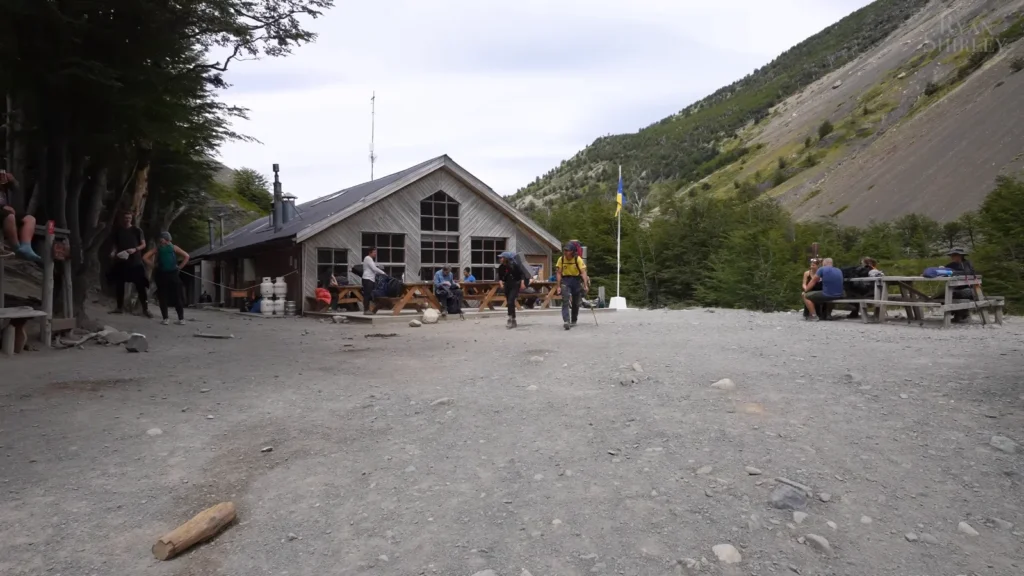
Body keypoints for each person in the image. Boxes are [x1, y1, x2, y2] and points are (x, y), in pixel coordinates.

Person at [107, 211, 151, 317]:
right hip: (121, 260)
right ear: (123, 219)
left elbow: (143, 244)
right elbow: (115, 245)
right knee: (119, 284)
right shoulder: (118, 230)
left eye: (129, 218)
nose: (127, 220)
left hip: (135, 261)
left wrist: (135, 249)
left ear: (132, 219)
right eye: (125, 218)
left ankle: (145, 309)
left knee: (141, 285)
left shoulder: (137, 230)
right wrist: (113, 252)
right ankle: (119, 307)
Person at [143, 231, 188, 325]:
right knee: (174, 296)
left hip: (163, 275)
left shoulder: (160, 248)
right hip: (171, 275)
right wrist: (179, 267)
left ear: (165, 239)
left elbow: (145, 257)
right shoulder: (170, 248)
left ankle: (167, 319)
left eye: (162, 239)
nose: (161, 240)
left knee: (164, 296)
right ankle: (180, 319)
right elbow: (186, 256)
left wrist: (154, 266)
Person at [0, 173, 41, 262]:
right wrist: (3, 207)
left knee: (30, 219)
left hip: (5, 210)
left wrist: (12, 180)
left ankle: (26, 247)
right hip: (4, 211)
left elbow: (16, 189)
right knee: (10, 216)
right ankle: (16, 248)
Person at [555, 243, 590, 330]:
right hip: (565, 280)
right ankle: (566, 321)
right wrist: (558, 286)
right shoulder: (561, 259)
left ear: (572, 252)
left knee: (575, 302)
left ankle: (574, 320)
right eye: (564, 250)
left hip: (576, 280)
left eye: (567, 250)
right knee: (565, 300)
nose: (565, 252)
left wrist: (585, 285)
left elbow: (583, 273)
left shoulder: (578, 259)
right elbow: (559, 273)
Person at [945, 247, 976, 322]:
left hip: (968, 289)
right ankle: (959, 314)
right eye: (951, 255)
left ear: (960, 256)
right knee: (941, 295)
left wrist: (953, 273)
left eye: (953, 255)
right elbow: (944, 271)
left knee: (955, 294)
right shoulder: (951, 265)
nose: (952, 257)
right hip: (954, 288)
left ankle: (962, 314)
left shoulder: (967, 263)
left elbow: (968, 273)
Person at [497, 252, 525, 329]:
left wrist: (522, 283)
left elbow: (522, 274)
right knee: (510, 303)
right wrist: (501, 284)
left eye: (502, 257)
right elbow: (500, 278)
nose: (500, 259)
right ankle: (513, 319)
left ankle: (509, 318)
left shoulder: (514, 266)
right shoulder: (501, 267)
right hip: (507, 285)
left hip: (515, 285)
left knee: (510, 301)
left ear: (506, 258)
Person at [361, 247, 386, 315]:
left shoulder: (371, 259)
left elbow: (374, 268)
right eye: (374, 252)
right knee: (367, 295)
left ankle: (373, 308)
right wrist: (383, 273)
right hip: (367, 278)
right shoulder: (368, 258)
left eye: (376, 252)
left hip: (371, 279)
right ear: (370, 252)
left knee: (371, 295)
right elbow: (374, 268)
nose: (375, 254)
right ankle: (366, 310)